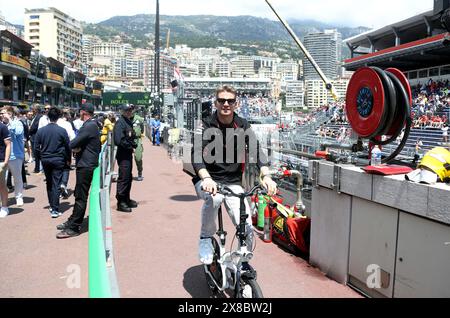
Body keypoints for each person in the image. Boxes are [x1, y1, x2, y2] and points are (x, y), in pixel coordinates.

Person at [191, 85, 277, 266]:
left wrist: (266, 175)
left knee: (246, 227)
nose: (226, 104)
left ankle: (238, 264)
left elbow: (256, 150)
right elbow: (196, 154)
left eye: (230, 101)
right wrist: (206, 178)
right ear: (216, 103)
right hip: (208, 180)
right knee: (214, 199)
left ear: (236, 103)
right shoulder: (206, 124)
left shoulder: (243, 125)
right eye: (222, 100)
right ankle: (205, 238)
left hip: (233, 182)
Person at [56, 103, 101, 239]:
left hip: (86, 165)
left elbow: (73, 144)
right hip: (87, 163)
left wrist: (77, 146)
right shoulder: (92, 125)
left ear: (83, 112)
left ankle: (75, 226)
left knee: (80, 196)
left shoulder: (89, 126)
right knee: (79, 194)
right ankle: (73, 220)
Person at [34, 107, 71, 218]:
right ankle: (54, 209)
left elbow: (36, 147)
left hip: (45, 159)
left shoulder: (41, 131)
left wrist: (40, 157)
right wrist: (68, 159)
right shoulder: (62, 130)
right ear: (58, 117)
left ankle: (52, 205)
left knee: (49, 183)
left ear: (48, 117)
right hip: (58, 159)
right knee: (56, 184)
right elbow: (67, 147)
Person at [114, 104, 138, 213]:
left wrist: (133, 143)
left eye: (130, 110)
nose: (129, 112)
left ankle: (126, 199)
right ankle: (121, 202)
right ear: (123, 111)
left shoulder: (128, 121)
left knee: (128, 176)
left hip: (127, 153)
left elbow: (130, 136)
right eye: (127, 110)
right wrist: (130, 145)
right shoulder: (120, 122)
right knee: (124, 177)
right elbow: (118, 140)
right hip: (123, 153)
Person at [1, 107, 25, 207]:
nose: (1, 115)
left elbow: (18, 133)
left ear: (10, 114)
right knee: (3, 180)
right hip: (3, 157)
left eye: (3, 113)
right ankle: (3, 199)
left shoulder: (18, 123)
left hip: (15, 155)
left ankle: (19, 197)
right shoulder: (2, 125)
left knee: (17, 177)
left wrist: (10, 121)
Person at [57, 108, 76, 199]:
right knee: (65, 168)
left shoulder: (52, 123)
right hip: (65, 149)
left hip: (53, 150)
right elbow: (72, 137)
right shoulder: (67, 124)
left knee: (56, 169)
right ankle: (63, 185)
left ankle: (58, 186)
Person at [0, 117, 11, 218]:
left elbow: (8, 144)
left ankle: (4, 207)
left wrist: (6, 161)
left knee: (1, 185)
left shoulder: (3, 127)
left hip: (1, 160)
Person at [28, 105, 43, 173]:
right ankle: (37, 168)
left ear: (36, 110)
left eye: (33, 110)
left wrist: (29, 131)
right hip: (33, 137)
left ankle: (38, 168)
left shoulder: (39, 117)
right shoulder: (36, 117)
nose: (32, 111)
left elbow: (35, 127)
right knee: (36, 154)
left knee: (37, 154)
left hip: (35, 137)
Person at [132, 106, 145, 181]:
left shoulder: (139, 119)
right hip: (127, 141)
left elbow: (142, 129)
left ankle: (140, 171)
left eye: (132, 109)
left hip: (137, 140)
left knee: (138, 157)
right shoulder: (125, 119)